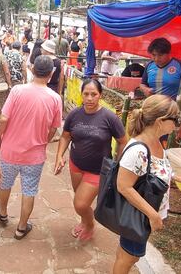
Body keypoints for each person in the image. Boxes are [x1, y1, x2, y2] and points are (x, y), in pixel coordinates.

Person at [0, 56, 62, 240]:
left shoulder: (17, 90)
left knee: (5, 183)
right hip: (34, 156)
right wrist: (43, 142)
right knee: (29, 190)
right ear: (51, 73)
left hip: (10, 151)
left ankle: (3, 213)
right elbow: (54, 128)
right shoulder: (55, 98)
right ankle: (21, 228)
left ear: (32, 69)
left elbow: (3, 119)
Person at [113, 94, 181, 273]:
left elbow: (154, 171)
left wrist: (177, 177)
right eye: (175, 119)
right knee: (129, 257)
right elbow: (123, 186)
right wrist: (153, 215)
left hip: (143, 213)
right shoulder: (139, 150)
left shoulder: (156, 142)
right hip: (138, 215)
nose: (177, 124)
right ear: (160, 121)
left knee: (128, 254)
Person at [55, 79, 128, 241]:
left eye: (93, 94)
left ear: (100, 95)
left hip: (98, 169)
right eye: (86, 94)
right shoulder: (74, 114)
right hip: (76, 165)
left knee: (80, 204)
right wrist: (59, 156)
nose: (89, 98)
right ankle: (84, 220)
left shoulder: (110, 117)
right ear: (81, 94)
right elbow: (65, 136)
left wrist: (118, 163)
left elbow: (123, 141)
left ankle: (89, 224)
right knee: (80, 198)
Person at [140, 38, 181, 121]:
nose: (156, 59)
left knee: (172, 129)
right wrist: (145, 89)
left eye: (160, 55)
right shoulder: (149, 66)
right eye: (153, 55)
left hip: (175, 110)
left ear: (169, 53)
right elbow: (142, 84)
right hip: (154, 109)